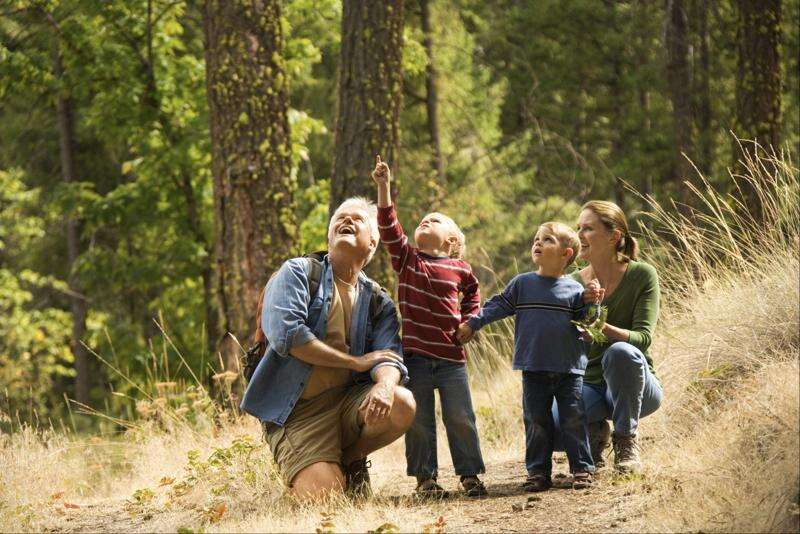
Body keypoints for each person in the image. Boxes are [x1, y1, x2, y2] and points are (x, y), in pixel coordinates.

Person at [240, 197, 416, 501]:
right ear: (329, 236)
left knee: (402, 403)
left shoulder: (377, 300)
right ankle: (317, 468)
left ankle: (349, 459)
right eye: (340, 218)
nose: (346, 220)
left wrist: (385, 385)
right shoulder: (297, 272)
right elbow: (288, 336)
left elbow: (389, 356)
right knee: (326, 497)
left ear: (373, 242)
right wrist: (355, 362)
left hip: (347, 403)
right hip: (297, 413)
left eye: (357, 219)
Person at [372, 155, 487, 498]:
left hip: (452, 360)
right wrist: (384, 186)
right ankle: (426, 481)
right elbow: (389, 227)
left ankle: (470, 475)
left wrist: (470, 322)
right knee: (420, 421)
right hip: (416, 359)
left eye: (434, 220)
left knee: (461, 418)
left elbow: (473, 296)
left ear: (451, 241)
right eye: (423, 219)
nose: (425, 221)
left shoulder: (461, 268)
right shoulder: (409, 260)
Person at [457, 222, 595, 491]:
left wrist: (593, 303)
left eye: (547, 239)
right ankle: (538, 473)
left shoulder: (576, 290)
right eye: (536, 239)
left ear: (566, 254)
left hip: (569, 370)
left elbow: (587, 324)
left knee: (573, 419)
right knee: (536, 421)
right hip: (533, 368)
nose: (537, 243)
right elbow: (498, 305)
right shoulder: (523, 284)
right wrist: (473, 323)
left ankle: (582, 469)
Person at [559, 200, 662, 473]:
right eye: (578, 228)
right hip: (589, 385)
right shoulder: (571, 283)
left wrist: (601, 326)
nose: (579, 235)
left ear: (614, 236)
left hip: (636, 386)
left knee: (621, 352)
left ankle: (626, 439)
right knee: (553, 426)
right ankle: (595, 431)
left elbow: (643, 339)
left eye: (588, 229)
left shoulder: (643, 275)